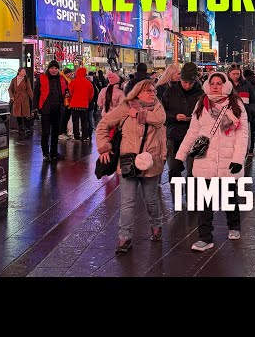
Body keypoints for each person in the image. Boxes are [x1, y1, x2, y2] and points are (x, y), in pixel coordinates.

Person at [173, 72, 248, 251]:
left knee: (230, 196)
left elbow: (242, 133)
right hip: (205, 159)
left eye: (219, 83)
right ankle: (205, 237)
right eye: (212, 83)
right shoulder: (202, 104)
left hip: (228, 160)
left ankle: (234, 225)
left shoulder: (235, 104)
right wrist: (179, 157)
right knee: (205, 202)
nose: (215, 86)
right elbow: (193, 132)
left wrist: (238, 159)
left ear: (226, 85)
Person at [96, 79, 166, 254]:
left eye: (153, 91)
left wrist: (139, 114)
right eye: (148, 91)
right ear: (138, 92)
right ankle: (124, 237)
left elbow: (159, 120)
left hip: (151, 161)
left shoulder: (157, 107)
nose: (153, 93)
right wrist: (104, 147)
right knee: (127, 202)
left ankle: (156, 225)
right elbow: (103, 125)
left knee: (151, 200)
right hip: (128, 161)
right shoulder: (125, 107)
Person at [161, 62, 204, 193]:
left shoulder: (201, 93)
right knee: (174, 167)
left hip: (194, 135)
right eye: (185, 82)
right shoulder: (170, 92)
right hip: (175, 134)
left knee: (193, 168)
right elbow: (162, 113)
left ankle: (192, 195)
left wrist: (195, 118)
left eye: (190, 82)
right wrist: (174, 116)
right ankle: (176, 193)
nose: (187, 85)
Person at [32, 60, 67, 162]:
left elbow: (65, 90)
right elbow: (36, 93)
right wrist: (35, 108)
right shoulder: (42, 78)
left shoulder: (61, 78)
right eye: (52, 68)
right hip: (46, 109)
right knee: (46, 132)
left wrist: (67, 93)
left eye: (56, 68)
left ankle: (54, 152)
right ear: (49, 69)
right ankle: (45, 153)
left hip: (58, 109)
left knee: (56, 132)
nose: (54, 70)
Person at [227, 64, 255, 153]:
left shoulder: (247, 84)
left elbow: (253, 99)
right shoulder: (226, 85)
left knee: (243, 135)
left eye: (238, 74)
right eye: (234, 74)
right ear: (229, 74)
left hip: (245, 115)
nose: (236, 76)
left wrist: (250, 110)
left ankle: (245, 151)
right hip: (230, 116)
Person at [68, 67, 95, 142]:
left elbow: (70, 93)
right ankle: (84, 136)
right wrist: (87, 101)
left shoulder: (73, 82)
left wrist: (70, 101)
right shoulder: (88, 83)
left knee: (75, 121)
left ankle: (76, 136)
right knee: (84, 121)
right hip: (84, 105)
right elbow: (91, 95)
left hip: (74, 105)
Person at [243, 69, 255, 155]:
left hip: (245, 110)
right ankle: (251, 149)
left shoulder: (243, 85)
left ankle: (244, 148)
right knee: (252, 130)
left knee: (243, 130)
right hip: (254, 110)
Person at [8, 67, 34, 134]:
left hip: (24, 98)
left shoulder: (26, 80)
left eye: (25, 72)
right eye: (23, 71)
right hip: (17, 98)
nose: (24, 73)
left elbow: (29, 89)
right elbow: (10, 89)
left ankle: (25, 127)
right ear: (19, 72)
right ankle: (20, 127)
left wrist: (33, 98)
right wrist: (12, 97)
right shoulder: (14, 80)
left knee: (25, 114)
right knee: (18, 114)